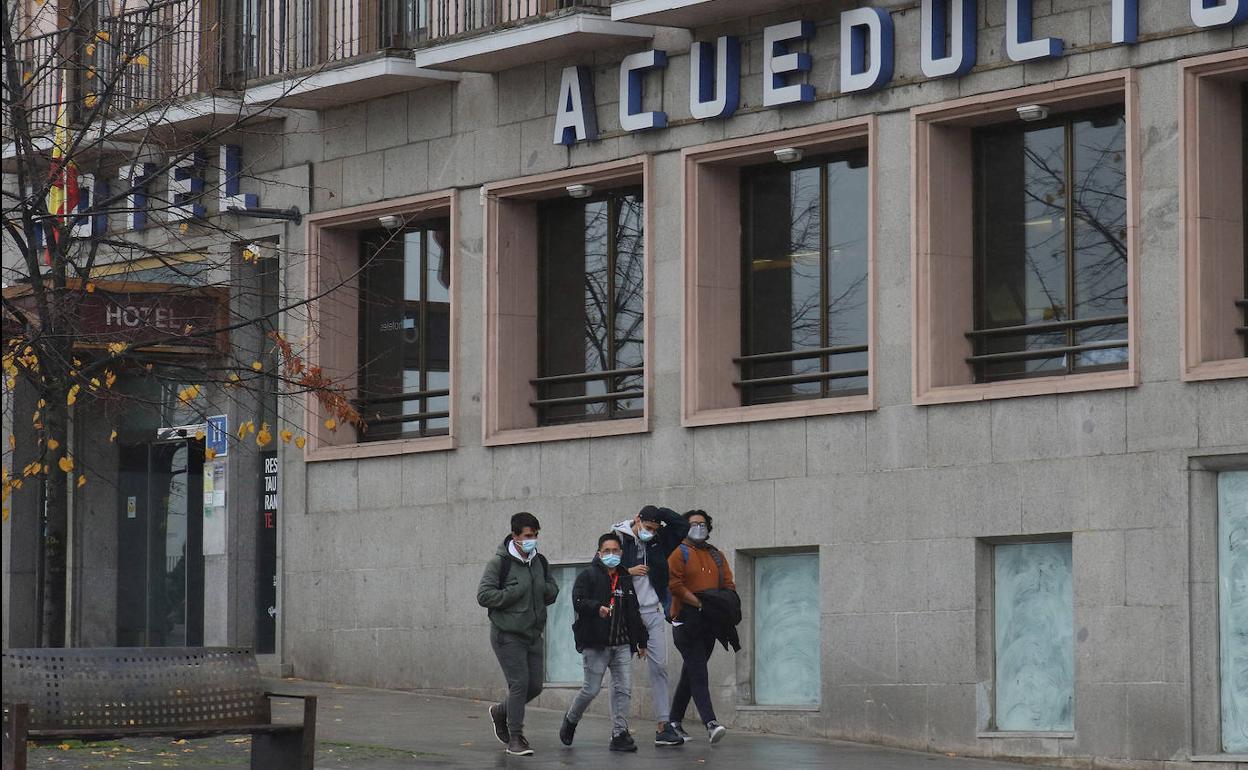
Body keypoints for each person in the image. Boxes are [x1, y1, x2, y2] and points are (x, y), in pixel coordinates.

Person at [477, 511, 559, 757]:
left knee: (535, 686)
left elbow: (552, 590)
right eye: (527, 535)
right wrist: (514, 593)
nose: (531, 539)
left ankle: (501, 711)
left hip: (532, 634)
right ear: (515, 536)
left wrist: (544, 589)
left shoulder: (539, 561)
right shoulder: (499, 563)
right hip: (507, 634)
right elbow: (484, 595)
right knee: (520, 684)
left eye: (535, 535)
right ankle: (515, 737)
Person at [559, 532, 650, 752]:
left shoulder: (625, 579)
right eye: (606, 551)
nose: (611, 554)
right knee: (591, 689)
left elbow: (633, 612)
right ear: (599, 553)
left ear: (621, 552)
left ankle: (619, 733)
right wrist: (595, 607)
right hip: (596, 643)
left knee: (623, 690)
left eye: (615, 550)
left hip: (621, 644)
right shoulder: (588, 576)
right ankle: (571, 720)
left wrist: (641, 641)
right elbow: (578, 601)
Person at [611, 505, 689, 746]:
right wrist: (628, 570)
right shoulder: (617, 539)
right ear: (637, 520)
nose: (650, 533)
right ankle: (618, 729)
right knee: (619, 674)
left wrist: (660, 513)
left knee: (660, 668)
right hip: (626, 614)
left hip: (652, 610)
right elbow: (604, 570)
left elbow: (682, 526)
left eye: (654, 530)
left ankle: (663, 726)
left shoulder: (658, 541)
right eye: (647, 528)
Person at [667, 509, 737, 745]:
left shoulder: (716, 555)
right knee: (698, 670)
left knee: (691, 672)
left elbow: (728, 583)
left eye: (702, 523)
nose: (698, 527)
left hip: (710, 621)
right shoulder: (679, 553)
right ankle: (710, 723)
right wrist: (697, 602)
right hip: (686, 621)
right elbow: (674, 584)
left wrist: (723, 604)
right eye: (693, 523)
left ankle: (674, 721)